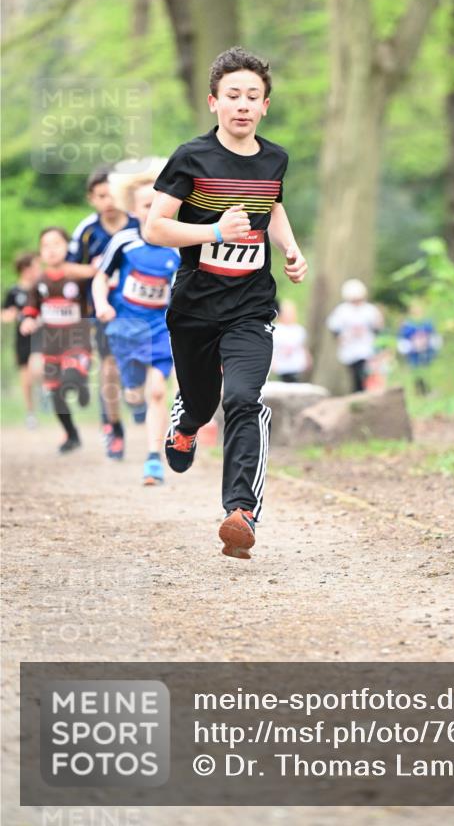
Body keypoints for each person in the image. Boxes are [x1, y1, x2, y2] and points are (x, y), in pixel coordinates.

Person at [144, 46, 307, 559]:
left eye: (252, 96)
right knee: (202, 399)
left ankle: (241, 512)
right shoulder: (191, 158)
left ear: (265, 106)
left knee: (243, 399)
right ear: (213, 102)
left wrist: (290, 247)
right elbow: (154, 227)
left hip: (250, 307)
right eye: (232, 95)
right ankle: (186, 421)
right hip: (194, 306)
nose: (242, 104)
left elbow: (272, 206)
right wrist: (213, 228)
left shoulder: (275, 158)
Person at [92, 166, 180, 486]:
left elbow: (180, 289)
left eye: (159, 203)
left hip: (160, 327)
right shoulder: (124, 241)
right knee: (132, 391)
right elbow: (101, 278)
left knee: (157, 390)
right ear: (134, 210)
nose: (154, 210)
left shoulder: (177, 246)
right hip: (125, 327)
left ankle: (154, 459)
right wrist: (102, 305)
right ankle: (129, 409)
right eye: (147, 205)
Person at [67, 167, 140, 461]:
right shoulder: (87, 230)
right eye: (101, 196)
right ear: (91, 199)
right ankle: (114, 427)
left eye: (112, 194)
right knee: (109, 366)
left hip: (140, 311)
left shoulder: (138, 225)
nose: (108, 201)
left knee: (137, 365)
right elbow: (69, 266)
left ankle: (143, 407)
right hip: (102, 311)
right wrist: (101, 270)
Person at [20, 228, 92, 453]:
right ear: (40, 253)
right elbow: (31, 307)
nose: (51, 250)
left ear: (67, 247)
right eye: (46, 246)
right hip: (51, 343)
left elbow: (98, 275)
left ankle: (81, 386)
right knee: (55, 393)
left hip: (77, 339)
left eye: (56, 244)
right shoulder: (39, 281)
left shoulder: (77, 275)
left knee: (71, 376)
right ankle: (71, 435)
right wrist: (28, 320)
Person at [2, 252, 44, 427]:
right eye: (36, 266)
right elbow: (4, 314)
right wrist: (12, 315)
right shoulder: (14, 291)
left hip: (42, 336)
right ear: (26, 270)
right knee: (25, 378)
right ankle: (30, 413)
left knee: (38, 369)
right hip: (22, 339)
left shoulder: (42, 289)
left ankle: (45, 391)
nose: (39, 270)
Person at [326, 279, 383, 392]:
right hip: (350, 348)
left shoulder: (369, 310)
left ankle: (363, 391)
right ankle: (358, 392)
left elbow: (377, 328)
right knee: (355, 374)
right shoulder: (342, 310)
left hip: (366, 347)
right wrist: (339, 337)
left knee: (364, 371)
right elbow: (334, 327)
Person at [397, 300, 442, 395]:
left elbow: (434, 336)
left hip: (428, 353)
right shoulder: (407, 326)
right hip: (414, 355)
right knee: (418, 373)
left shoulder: (427, 323)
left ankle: (432, 390)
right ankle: (422, 392)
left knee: (429, 371)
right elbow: (403, 342)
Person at [271, 299, 310, 382]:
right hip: (282, 366)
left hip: (297, 364)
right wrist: (273, 363)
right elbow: (272, 348)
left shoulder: (299, 329)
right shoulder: (276, 329)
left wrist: (308, 359)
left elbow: (303, 347)